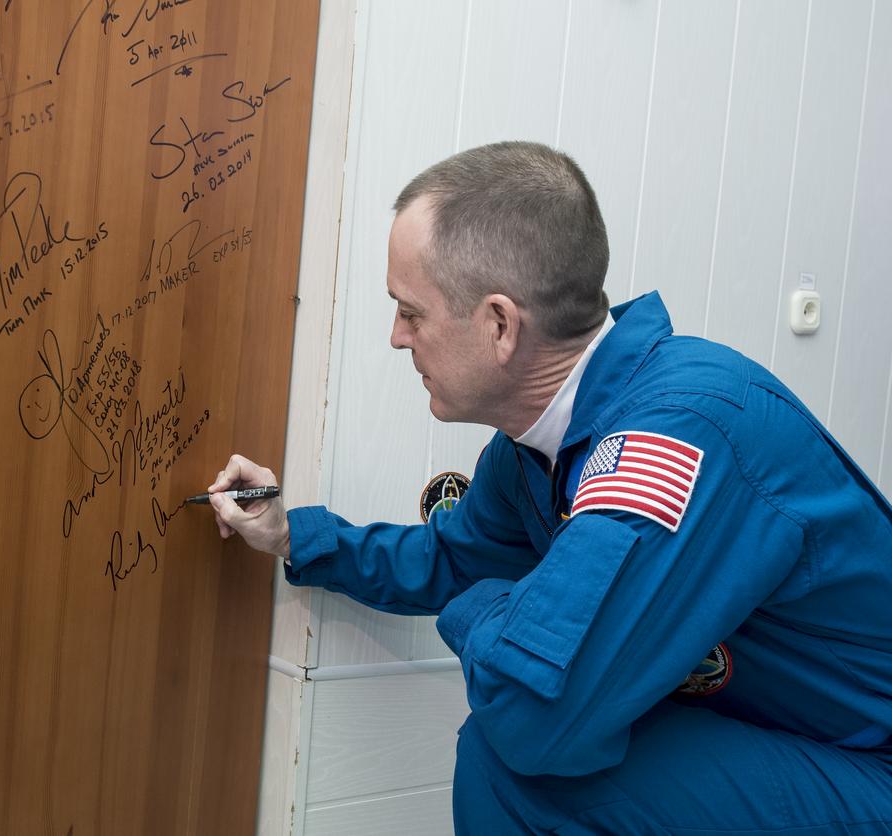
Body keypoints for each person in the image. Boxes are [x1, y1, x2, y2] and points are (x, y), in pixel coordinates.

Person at [206, 141, 892, 833]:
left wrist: (486, 610)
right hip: (780, 741)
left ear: (500, 325)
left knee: (515, 764)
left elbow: (539, 714)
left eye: (410, 312)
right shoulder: (536, 449)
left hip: (869, 764)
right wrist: (295, 535)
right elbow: (454, 559)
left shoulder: (678, 438)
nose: (395, 337)